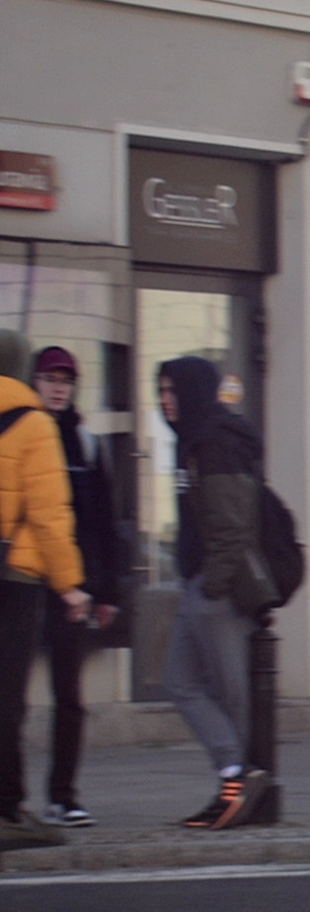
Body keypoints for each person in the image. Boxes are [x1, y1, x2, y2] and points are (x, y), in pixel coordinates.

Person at [157, 355, 277, 831]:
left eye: (172, 392)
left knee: (231, 697)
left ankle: (239, 788)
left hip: (217, 590)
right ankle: (235, 774)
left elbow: (232, 526)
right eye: (161, 393)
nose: (166, 402)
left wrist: (212, 586)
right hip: (199, 584)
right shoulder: (190, 442)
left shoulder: (214, 445)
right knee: (180, 682)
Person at [0, 331, 91, 850]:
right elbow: (52, 517)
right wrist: (71, 586)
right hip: (17, 577)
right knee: (7, 698)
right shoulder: (35, 424)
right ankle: (9, 809)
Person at [32, 346, 122, 827]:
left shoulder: (86, 445)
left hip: (74, 592)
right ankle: (11, 798)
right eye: (50, 378)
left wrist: (107, 593)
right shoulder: (21, 435)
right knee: (11, 698)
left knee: (69, 698)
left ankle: (63, 795)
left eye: (66, 379)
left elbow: (104, 524)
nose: (59, 386)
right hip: (25, 584)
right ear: (35, 382)